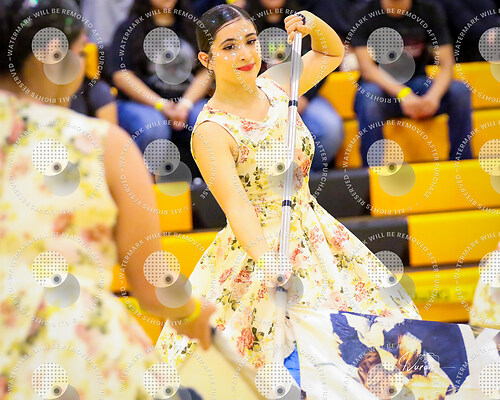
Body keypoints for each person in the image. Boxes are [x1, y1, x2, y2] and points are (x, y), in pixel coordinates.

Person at [157, 4, 420, 397]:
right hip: (261, 247)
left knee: (372, 340)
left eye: (250, 41)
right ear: (206, 60)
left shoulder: (277, 84)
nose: (245, 54)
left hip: (315, 231)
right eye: (229, 47)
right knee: (275, 361)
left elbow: (331, 52)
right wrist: (269, 261)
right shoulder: (211, 131)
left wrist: (313, 24)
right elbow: (237, 206)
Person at [0, 0, 215, 397]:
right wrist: (192, 313)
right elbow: (150, 284)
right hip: (75, 356)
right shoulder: (102, 143)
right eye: (81, 53)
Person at [351, 0, 474, 168]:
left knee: (460, 91)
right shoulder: (364, 12)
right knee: (369, 98)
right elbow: (367, 70)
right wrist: (403, 94)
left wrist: (433, 97)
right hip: (383, 89)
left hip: (419, 84)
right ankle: (372, 173)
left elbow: (447, 64)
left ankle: (461, 166)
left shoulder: (429, 9)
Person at [108, 0, 213, 177]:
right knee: (153, 127)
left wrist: (185, 104)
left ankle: (211, 186)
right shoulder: (129, 28)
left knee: (207, 121)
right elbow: (121, 75)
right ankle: (144, 187)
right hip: (140, 104)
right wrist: (161, 105)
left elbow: (207, 70)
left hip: (188, 101)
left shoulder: (192, 25)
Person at [244, 0, 345, 171]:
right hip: (261, 97)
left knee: (330, 128)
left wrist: (304, 97)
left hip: (301, 93)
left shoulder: (299, 22)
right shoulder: (246, 26)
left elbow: (326, 56)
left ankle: (306, 172)